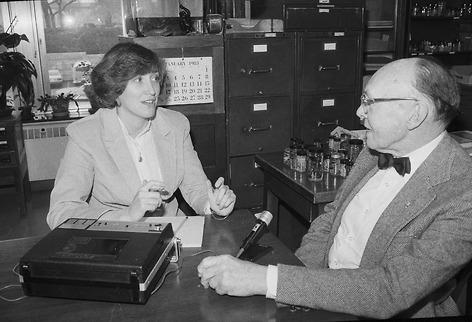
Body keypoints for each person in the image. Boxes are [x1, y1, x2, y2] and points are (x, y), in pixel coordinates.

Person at [197, 57, 472, 319]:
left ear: (415, 114)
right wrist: (294, 290)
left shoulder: (463, 193)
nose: (359, 112)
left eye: (370, 102)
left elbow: (391, 290)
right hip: (322, 298)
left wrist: (264, 279)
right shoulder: (374, 149)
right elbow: (329, 220)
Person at [47, 43, 236, 229]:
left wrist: (212, 204)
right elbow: (61, 211)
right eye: (138, 80)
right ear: (115, 89)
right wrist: (127, 215)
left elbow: (196, 188)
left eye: (154, 78)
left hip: (171, 231)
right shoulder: (85, 135)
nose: (152, 90)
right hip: (112, 236)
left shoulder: (176, 125)